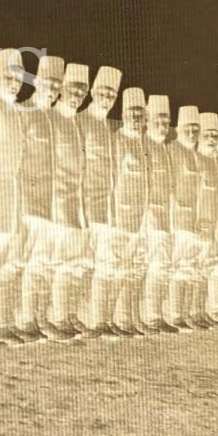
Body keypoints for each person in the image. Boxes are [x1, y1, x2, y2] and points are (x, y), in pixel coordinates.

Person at [0, 48, 30, 345]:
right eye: (8, 76)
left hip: (11, 192)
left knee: (7, 257)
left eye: (19, 78)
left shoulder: (15, 110)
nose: (14, 83)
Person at [16, 55, 64, 341]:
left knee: (44, 263)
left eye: (57, 85)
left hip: (52, 206)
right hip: (27, 203)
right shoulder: (23, 112)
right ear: (36, 82)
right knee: (20, 262)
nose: (53, 90)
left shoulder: (57, 119)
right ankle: (19, 320)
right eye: (48, 83)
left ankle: (37, 318)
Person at [48, 62, 91, 338]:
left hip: (77, 203)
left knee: (75, 262)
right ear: (62, 88)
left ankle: (67, 315)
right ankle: (52, 317)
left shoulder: (77, 123)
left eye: (82, 91)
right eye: (73, 88)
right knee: (55, 261)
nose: (77, 95)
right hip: (55, 203)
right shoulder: (51, 118)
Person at [78, 67, 121, 337]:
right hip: (85, 206)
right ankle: (80, 319)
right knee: (82, 263)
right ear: (93, 92)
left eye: (112, 94)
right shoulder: (80, 121)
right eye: (103, 92)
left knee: (103, 264)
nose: (107, 98)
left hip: (105, 209)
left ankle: (97, 320)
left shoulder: (107, 128)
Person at [105, 86, 150, 335]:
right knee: (115, 267)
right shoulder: (117, 141)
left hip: (141, 218)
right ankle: (106, 320)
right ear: (123, 114)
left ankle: (127, 317)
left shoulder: (144, 144)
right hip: (121, 215)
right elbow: (109, 181)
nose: (136, 117)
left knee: (135, 268)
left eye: (140, 113)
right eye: (132, 112)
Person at [136, 94, 175, 333]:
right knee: (137, 267)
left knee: (160, 267)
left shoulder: (165, 149)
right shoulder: (141, 145)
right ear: (147, 121)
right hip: (143, 218)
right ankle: (131, 318)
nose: (162, 126)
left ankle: (154, 316)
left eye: (166, 121)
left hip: (163, 219)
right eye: (157, 120)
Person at [165, 104, 204, 332]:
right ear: (178, 128)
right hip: (177, 220)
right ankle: (172, 315)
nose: (192, 133)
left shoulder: (196, 155)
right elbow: (167, 188)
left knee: (189, 267)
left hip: (194, 221)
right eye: (188, 128)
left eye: (195, 129)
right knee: (174, 267)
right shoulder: (172, 150)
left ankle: (183, 314)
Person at [192, 113, 218, 329]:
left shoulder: (216, 161)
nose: (212, 139)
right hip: (198, 223)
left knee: (207, 267)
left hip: (214, 223)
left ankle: (199, 311)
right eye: (207, 134)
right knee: (192, 267)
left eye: (215, 135)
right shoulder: (196, 158)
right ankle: (185, 313)